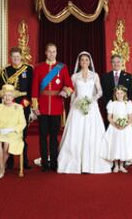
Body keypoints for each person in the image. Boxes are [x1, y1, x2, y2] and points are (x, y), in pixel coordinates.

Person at [57, 51, 111, 174]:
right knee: (76, 134)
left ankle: (91, 164)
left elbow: (100, 92)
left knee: (92, 135)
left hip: (91, 107)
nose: (84, 62)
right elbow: (73, 93)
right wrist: (72, 104)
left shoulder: (95, 75)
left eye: (87, 60)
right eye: (82, 60)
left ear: (90, 62)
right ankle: (75, 164)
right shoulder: (75, 76)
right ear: (79, 62)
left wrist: (91, 100)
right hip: (78, 107)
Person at [31, 43, 74, 172]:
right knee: (43, 136)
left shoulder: (62, 67)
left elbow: (70, 86)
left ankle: (54, 163)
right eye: (49, 52)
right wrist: (35, 106)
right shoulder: (39, 68)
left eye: (54, 52)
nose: (52, 54)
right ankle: (44, 163)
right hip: (42, 107)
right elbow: (34, 88)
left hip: (56, 106)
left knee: (54, 137)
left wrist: (65, 91)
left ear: (56, 52)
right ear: (45, 52)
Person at [0, 47, 33, 170]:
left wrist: (27, 101)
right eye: (13, 57)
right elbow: (2, 89)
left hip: (23, 103)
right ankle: (10, 162)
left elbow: (32, 88)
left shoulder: (28, 69)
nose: (16, 59)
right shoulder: (5, 71)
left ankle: (24, 160)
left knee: (22, 134)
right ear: (10, 57)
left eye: (18, 57)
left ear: (21, 56)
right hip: (9, 103)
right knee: (8, 132)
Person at [0, 84, 27, 179]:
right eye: (5, 95)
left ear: (13, 97)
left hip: (13, 133)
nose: (7, 97)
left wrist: (11, 130)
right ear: (2, 96)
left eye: (10, 95)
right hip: (0, 132)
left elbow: (22, 123)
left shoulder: (19, 107)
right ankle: (2, 168)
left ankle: (0, 169)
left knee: (7, 144)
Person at [100, 85, 132, 173]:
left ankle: (122, 165)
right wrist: (116, 124)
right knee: (115, 144)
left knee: (124, 144)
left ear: (124, 94)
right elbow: (109, 117)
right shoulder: (112, 104)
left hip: (125, 128)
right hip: (114, 127)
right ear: (115, 94)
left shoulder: (128, 104)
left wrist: (125, 125)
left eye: (121, 93)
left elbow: (130, 117)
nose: (119, 95)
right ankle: (116, 164)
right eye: (117, 93)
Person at [101, 54, 132, 128]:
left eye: (118, 62)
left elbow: (131, 92)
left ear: (122, 63)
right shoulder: (105, 76)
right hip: (110, 108)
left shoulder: (128, 76)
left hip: (123, 109)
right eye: (114, 62)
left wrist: (125, 104)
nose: (116, 64)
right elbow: (103, 93)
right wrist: (109, 105)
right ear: (111, 63)